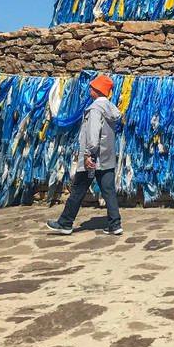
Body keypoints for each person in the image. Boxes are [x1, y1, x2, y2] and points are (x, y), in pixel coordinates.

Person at [46, 75, 122, 235]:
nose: (89, 90)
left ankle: (65, 223)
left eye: (91, 88)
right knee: (108, 191)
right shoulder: (111, 109)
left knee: (78, 189)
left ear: (97, 90)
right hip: (107, 156)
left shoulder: (95, 110)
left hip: (93, 158)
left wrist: (89, 154)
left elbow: (94, 134)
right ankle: (115, 224)